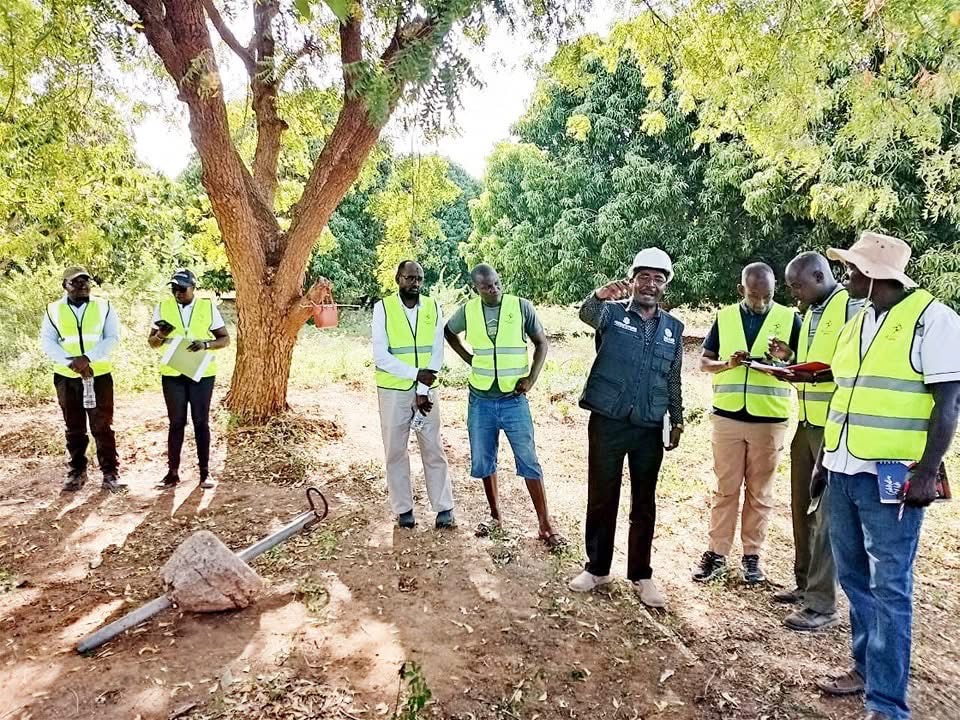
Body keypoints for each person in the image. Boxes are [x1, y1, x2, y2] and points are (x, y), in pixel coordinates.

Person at [811, 232, 960, 720]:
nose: (846, 277)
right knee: (855, 579)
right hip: (843, 469)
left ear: (874, 276)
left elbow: (948, 404)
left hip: (891, 481)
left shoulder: (933, 321)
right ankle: (866, 670)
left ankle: (887, 704)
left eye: (852, 270)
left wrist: (928, 471)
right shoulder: (858, 320)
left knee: (890, 588)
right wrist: (824, 461)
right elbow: (845, 396)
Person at [567, 248, 684, 608]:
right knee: (602, 496)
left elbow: (673, 377)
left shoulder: (673, 328)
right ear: (633, 280)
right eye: (644, 277)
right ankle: (597, 568)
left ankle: (642, 575)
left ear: (665, 286)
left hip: (650, 424)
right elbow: (587, 314)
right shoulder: (612, 314)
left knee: (644, 502)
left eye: (658, 279)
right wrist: (598, 295)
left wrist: (677, 418)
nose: (650, 284)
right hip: (608, 420)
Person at [765, 252, 863, 631]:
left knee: (825, 515)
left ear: (819, 275)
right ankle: (804, 584)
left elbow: (851, 369)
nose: (794, 293)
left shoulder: (848, 307)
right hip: (806, 422)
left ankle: (822, 604)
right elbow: (815, 360)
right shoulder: (812, 312)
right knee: (801, 506)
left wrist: (813, 378)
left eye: (797, 285)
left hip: (833, 428)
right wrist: (789, 359)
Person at [693, 262, 801, 584]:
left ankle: (752, 556)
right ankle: (716, 554)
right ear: (742, 290)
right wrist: (727, 364)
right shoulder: (725, 318)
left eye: (767, 295)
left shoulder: (788, 318)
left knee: (760, 492)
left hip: (769, 419)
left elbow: (801, 365)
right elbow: (703, 363)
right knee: (725, 490)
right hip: (727, 418)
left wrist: (785, 357)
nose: (761, 302)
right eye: (755, 296)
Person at [445, 264, 564, 548]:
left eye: (497, 283)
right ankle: (496, 517)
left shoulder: (521, 307)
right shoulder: (468, 311)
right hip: (481, 400)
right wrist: (468, 358)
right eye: (487, 286)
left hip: (513, 400)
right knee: (484, 460)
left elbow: (541, 343)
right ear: (477, 288)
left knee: (529, 460)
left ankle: (545, 524)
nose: (494, 289)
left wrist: (531, 378)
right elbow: (449, 332)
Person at [372, 260, 455, 529]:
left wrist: (422, 387)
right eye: (409, 278)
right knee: (395, 451)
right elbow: (380, 356)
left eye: (419, 278)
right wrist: (414, 374)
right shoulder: (383, 308)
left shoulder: (432, 306)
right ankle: (403, 509)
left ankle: (444, 508)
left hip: (426, 392)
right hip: (392, 392)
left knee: (433, 448)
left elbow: (437, 351)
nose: (415, 283)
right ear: (398, 279)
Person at [40, 266, 124, 492]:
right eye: (76, 282)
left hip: (99, 375)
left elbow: (112, 338)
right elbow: (48, 342)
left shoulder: (104, 307)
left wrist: (87, 358)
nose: (83, 286)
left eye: (86, 281)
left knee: (102, 425)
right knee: (74, 426)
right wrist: (72, 362)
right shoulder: (53, 310)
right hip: (67, 377)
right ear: (64, 286)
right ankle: (77, 471)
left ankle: (110, 473)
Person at [148, 269, 230, 489]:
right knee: (176, 423)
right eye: (174, 288)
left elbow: (225, 339)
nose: (178, 293)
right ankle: (172, 473)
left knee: (201, 422)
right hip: (173, 373)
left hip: (201, 373)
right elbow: (152, 343)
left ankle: (205, 472)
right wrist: (161, 334)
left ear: (194, 288)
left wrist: (206, 344)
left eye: (182, 288)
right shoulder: (163, 308)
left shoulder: (207, 307)